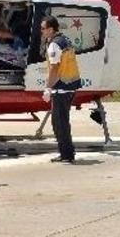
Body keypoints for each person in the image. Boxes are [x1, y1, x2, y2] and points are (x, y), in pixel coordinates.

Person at [40, 15, 81, 164]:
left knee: (59, 123)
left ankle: (66, 154)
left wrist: (48, 88)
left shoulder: (54, 45)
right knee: (62, 121)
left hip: (62, 87)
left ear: (51, 29)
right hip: (70, 85)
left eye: (43, 28)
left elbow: (55, 69)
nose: (42, 31)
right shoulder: (65, 40)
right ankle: (67, 152)